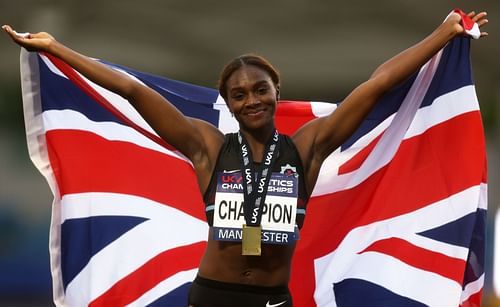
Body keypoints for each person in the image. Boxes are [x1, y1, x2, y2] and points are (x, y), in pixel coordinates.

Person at [2, 9, 488, 307]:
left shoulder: (306, 149)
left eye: (260, 90)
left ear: (276, 93)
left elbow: (376, 85)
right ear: (228, 103)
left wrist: (442, 35)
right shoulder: (208, 148)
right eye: (239, 95)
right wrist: (58, 49)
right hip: (212, 297)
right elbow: (131, 90)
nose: (251, 100)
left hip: (273, 300)